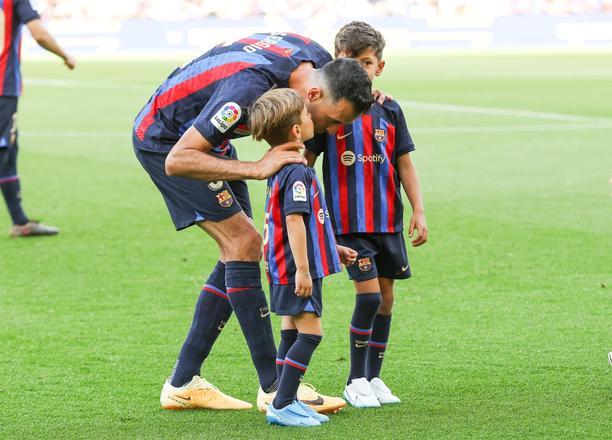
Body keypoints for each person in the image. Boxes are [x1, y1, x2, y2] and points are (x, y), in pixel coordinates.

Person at [132, 32, 373, 410]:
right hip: (165, 140)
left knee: (239, 250)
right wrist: (257, 168)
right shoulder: (246, 89)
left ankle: (182, 382)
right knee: (243, 244)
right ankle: (276, 388)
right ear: (312, 97)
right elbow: (178, 160)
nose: (327, 131)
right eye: (331, 121)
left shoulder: (319, 65)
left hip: (210, 141)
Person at [305, 21, 429, 408]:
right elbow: (305, 162)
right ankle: (354, 378)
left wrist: (418, 211)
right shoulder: (328, 111)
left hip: (387, 220)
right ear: (334, 62)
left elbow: (404, 163)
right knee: (370, 297)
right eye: (349, 61)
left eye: (366, 62)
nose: (359, 69)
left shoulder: (390, 109)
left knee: (387, 299)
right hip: (349, 223)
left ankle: (374, 377)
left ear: (380, 66)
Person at [249, 88, 357, 425]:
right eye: (308, 115)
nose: (313, 117)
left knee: (291, 333)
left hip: (282, 266)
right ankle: (282, 404)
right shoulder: (297, 170)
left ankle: (285, 398)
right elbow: (294, 220)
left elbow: (300, 222)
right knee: (311, 334)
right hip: (295, 268)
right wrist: (304, 270)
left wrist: (331, 247)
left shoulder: (283, 166)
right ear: (297, 130)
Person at [0, 0, 75, 236]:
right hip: (0, 91)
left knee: (8, 149)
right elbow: (39, 34)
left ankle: (20, 222)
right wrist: (65, 56)